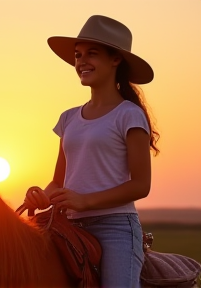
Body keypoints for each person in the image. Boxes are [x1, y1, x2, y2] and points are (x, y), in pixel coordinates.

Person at [23, 15, 160, 288]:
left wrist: (84, 201)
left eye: (92, 54)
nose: (81, 62)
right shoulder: (68, 118)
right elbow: (59, 182)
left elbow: (141, 185)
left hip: (116, 228)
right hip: (66, 226)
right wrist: (41, 197)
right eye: (78, 55)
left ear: (116, 59)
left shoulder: (129, 115)